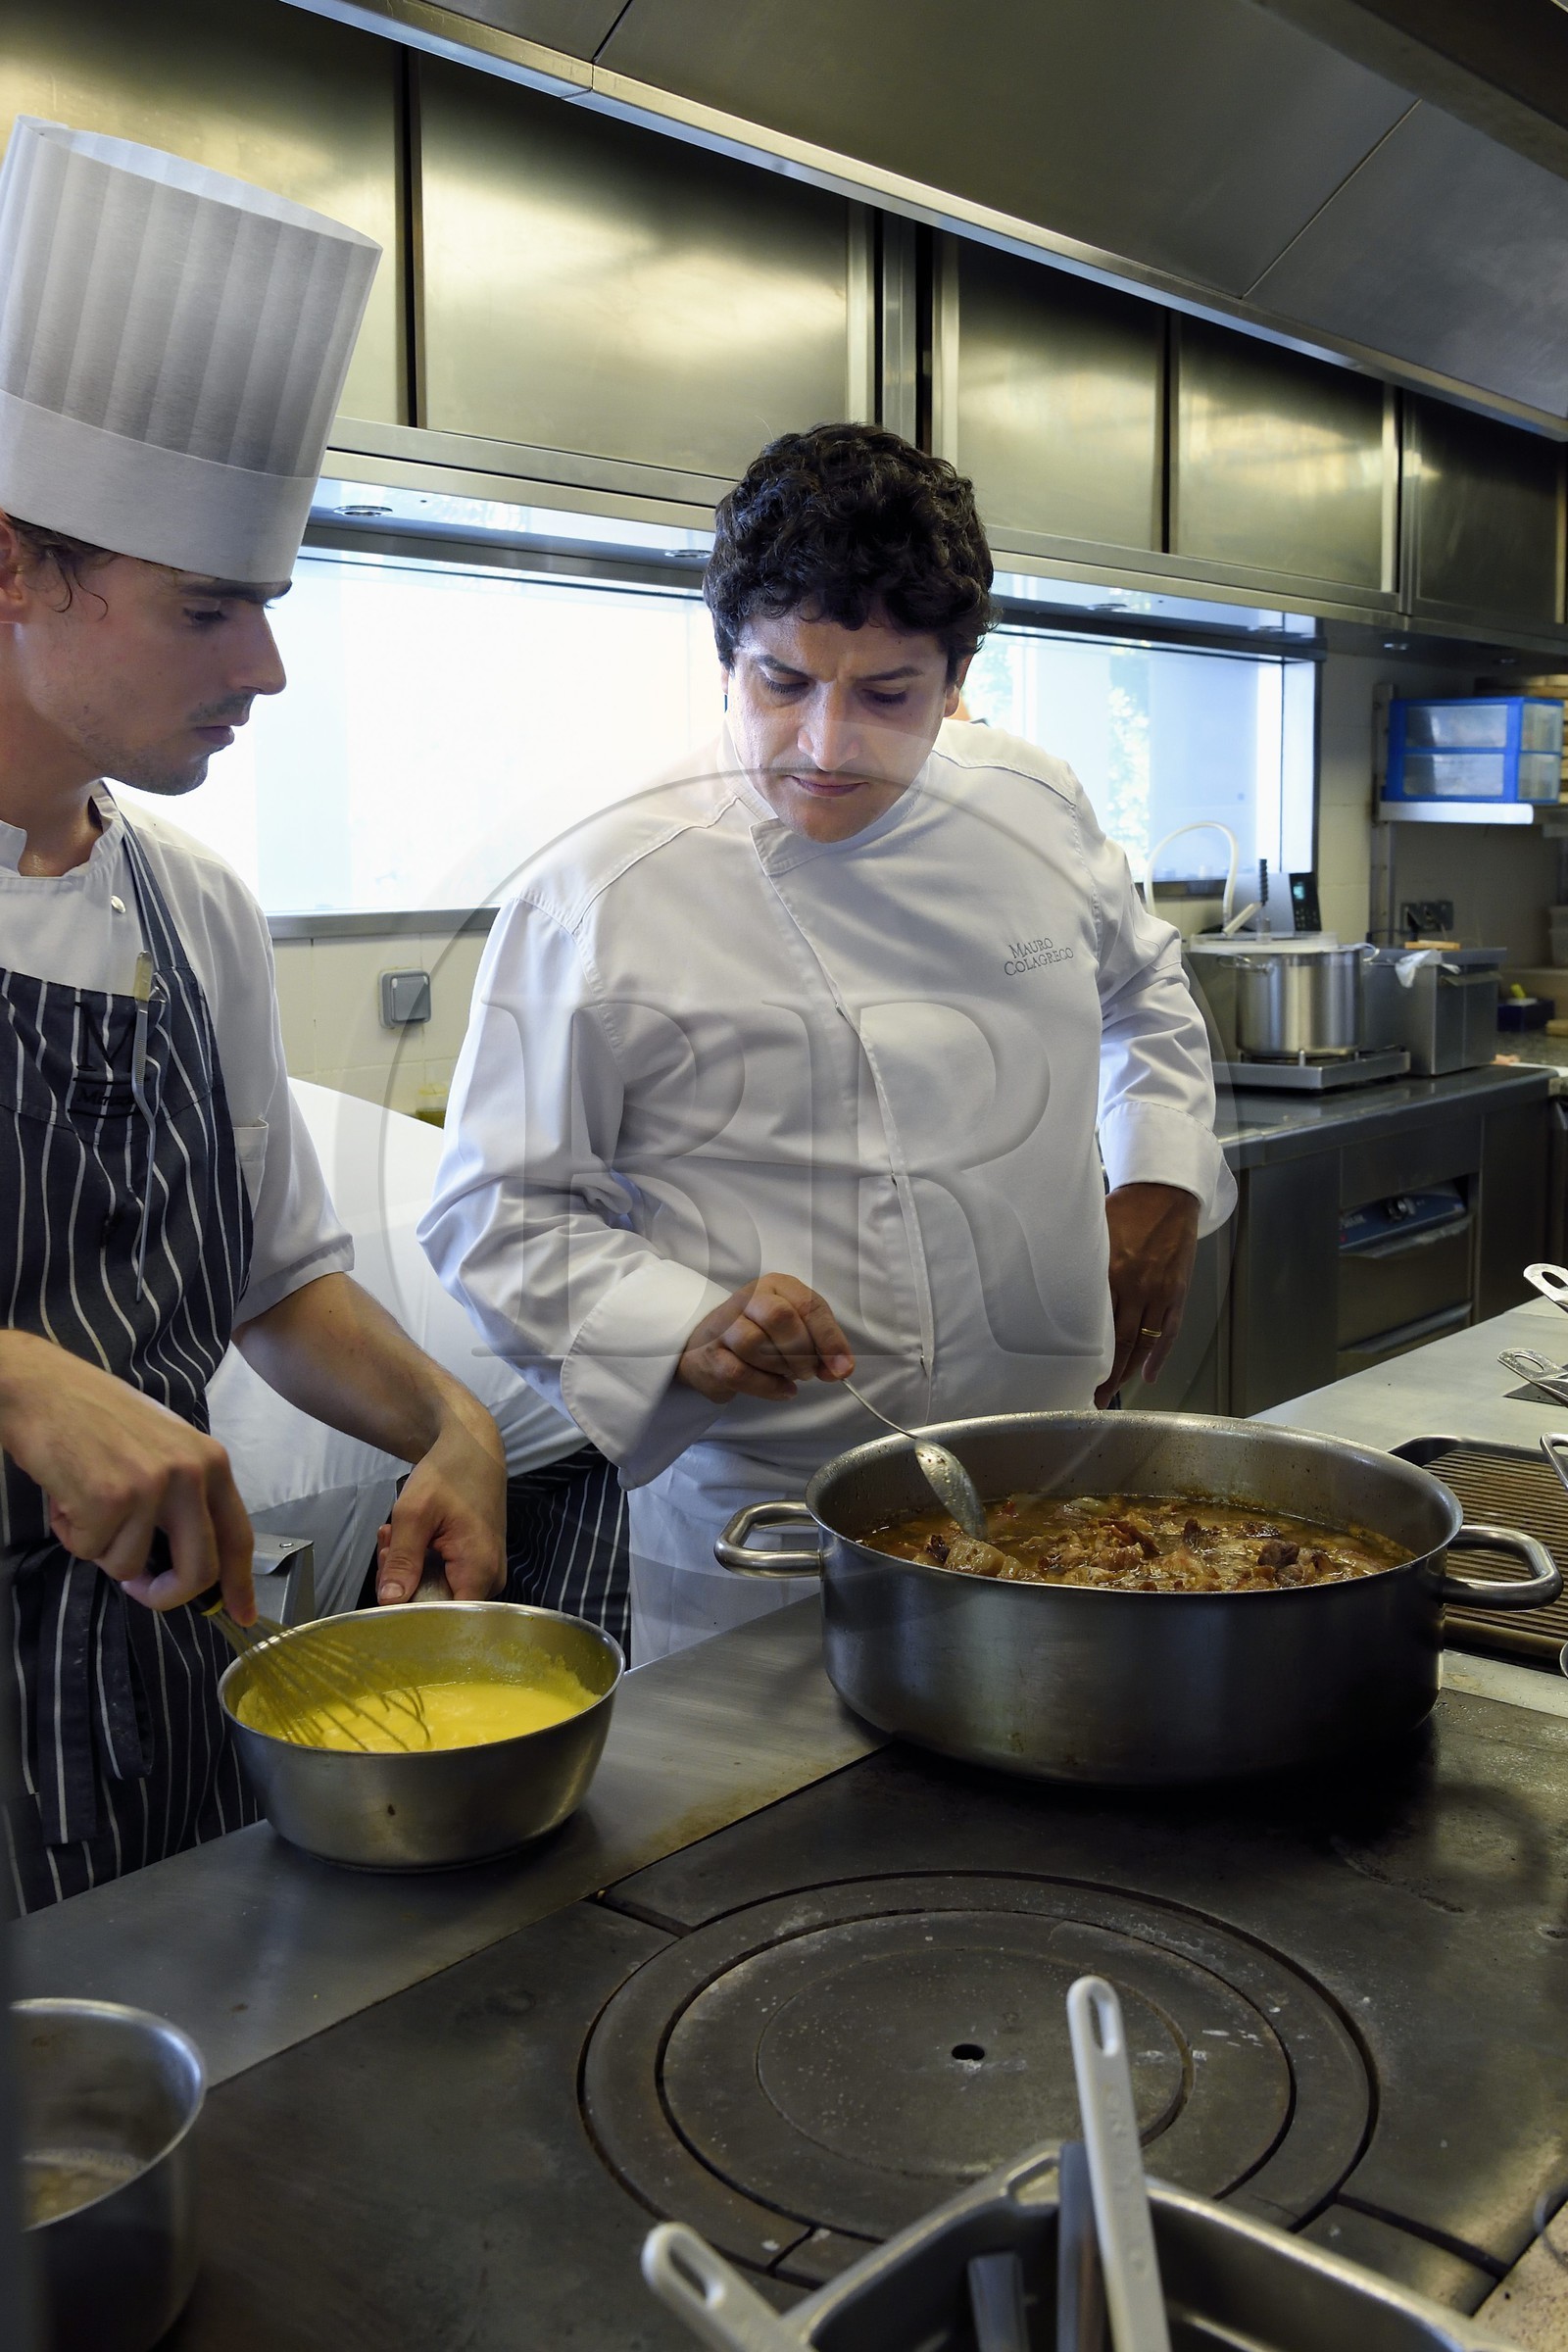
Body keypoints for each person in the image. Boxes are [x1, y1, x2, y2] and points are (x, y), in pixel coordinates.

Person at [420, 422, 1236, 1662]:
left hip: (1060, 1473)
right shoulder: (601, 887)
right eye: (781, 683)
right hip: (765, 1529)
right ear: (725, 660)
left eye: (889, 695)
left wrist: (1162, 1180)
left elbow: (1145, 991)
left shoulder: (1032, 803)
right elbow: (492, 1207)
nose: (826, 745)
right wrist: (679, 1319)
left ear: (959, 680)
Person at [0, 119, 507, 1911]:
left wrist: (451, 1426)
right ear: (13, 567)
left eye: (269, 609)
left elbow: (272, 1286)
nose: (265, 671)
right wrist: (17, 1372)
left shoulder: (187, 902)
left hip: (158, 1696)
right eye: (210, 610)